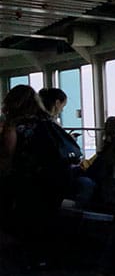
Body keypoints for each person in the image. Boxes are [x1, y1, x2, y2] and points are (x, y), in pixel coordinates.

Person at [0, 85, 74, 266]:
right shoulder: (48, 122)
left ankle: (28, 257)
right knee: (46, 218)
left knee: (25, 218)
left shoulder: (14, 125)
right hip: (54, 178)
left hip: (26, 180)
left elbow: (7, 155)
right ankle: (46, 257)